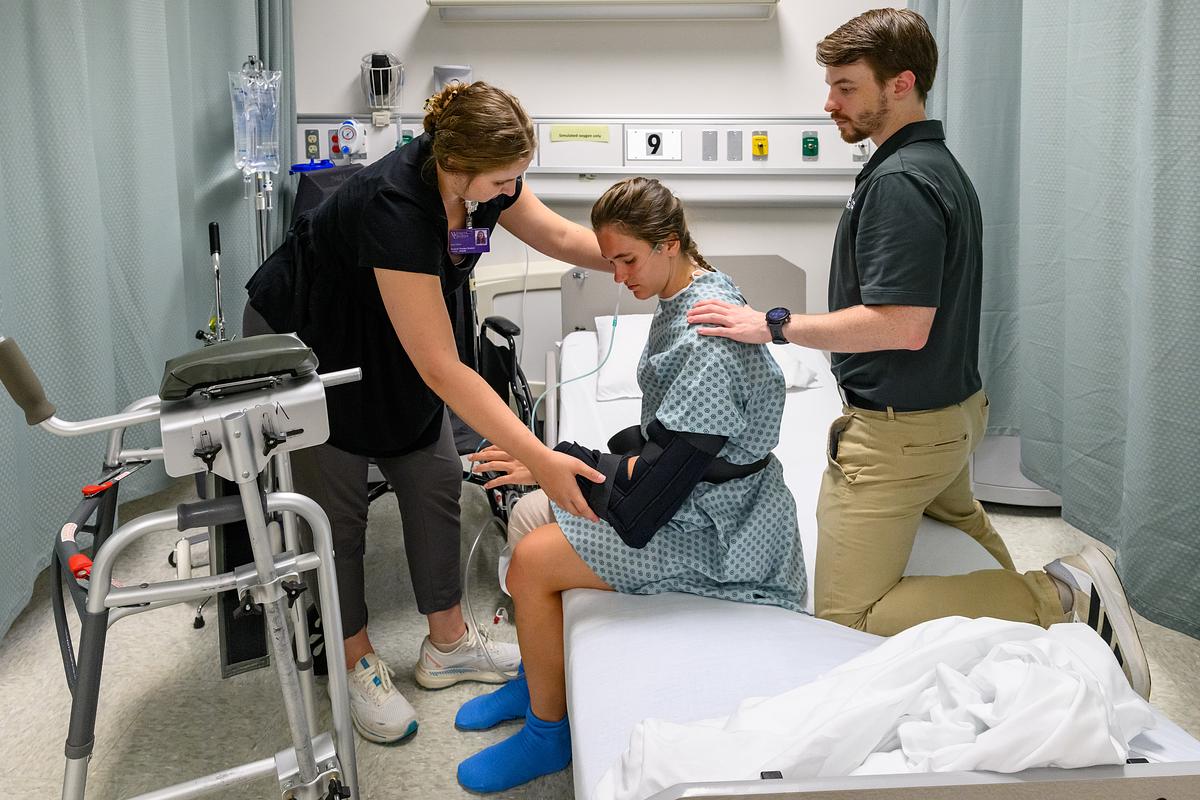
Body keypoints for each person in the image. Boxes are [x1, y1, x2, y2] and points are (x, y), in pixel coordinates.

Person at [685, 8, 1150, 700]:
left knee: (849, 615)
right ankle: (1052, 638)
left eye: (846, 87)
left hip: (903, 434)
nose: (829, 101)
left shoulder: (903, 183)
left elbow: (903, 326)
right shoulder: (928, 164)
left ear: (900, 84)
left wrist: (774, 325)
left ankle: (1058, 595)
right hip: (948, 417)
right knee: (960, 525)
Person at [243, 81, 610, 744]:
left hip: (397, 337)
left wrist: (643, 258)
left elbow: (558, 235)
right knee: (338, 506)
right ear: (456, 166)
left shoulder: (482, 185)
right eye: (504, 179)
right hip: (316, 339)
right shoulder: (394, 207)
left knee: (434, 475)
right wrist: (539, 455)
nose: (511, 191)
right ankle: (355, 657)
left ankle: (446, 643)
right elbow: (441, 366)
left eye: (518, 177)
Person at [450, 177, 807, 793]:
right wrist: (555, 467)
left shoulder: (707, 345)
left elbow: (646, 508)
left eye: (627, 260)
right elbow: (664, 442)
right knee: (535, 514)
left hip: (727, 536)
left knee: (533, 561)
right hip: (696, 498)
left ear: (670, 244)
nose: (617, 276)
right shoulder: (687, 293)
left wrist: (549, 461)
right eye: (609, 259)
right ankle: (538, 675)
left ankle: (546, 734)